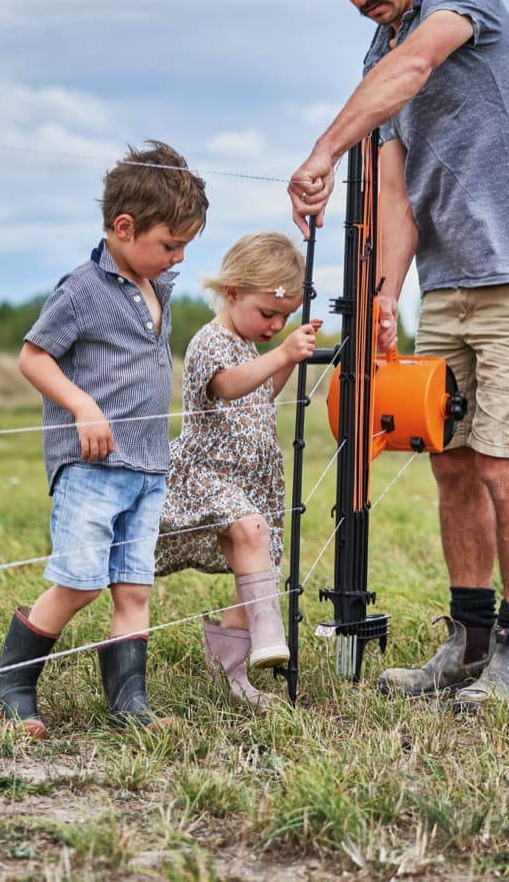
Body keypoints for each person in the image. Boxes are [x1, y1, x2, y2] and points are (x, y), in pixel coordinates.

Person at [288, 0, 509, 712]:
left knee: (501, 460)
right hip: (447, 283)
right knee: (449, 460)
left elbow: (416, 65)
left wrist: (318, 152)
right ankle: (470, 642)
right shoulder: (375, 54)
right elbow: (394, 190)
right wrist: (384, 291)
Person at [0, 141, 208, 736]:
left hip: (148, 466)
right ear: (125, 227)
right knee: (80, 582)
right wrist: (82, 405)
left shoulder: (158, 287)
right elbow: (34, 358)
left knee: (134, 587)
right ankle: (11, 680)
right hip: (92, 465)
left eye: (186, 246)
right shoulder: (82, 288)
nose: (178, 257)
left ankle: (128, 705)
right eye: (170, 244)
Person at [154, 231, 321, 707]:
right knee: (252, 543)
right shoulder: (213, 340)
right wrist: (282, 353)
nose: (274, 326)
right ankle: (271, 630)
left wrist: (286, 359)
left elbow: (260, 392)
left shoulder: (252, 346)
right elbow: (228, 387)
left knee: (256, 568)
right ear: (231, 293)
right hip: (211, 473)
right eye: (267, 314)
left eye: (283, 318)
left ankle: (233, 676)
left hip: (251, 477)